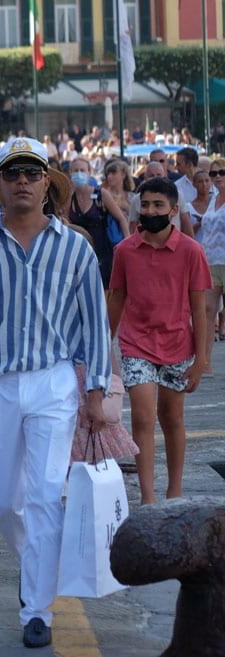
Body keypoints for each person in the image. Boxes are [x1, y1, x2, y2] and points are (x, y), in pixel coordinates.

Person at [0, 137, 110, 648]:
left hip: (53, 383)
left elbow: (95, 323)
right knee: (6, 501)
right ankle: (33, 565)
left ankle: (36, 608)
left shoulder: (75, 247)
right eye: (12, 172)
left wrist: (97, 389)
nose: (21, 181)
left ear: (46, 184)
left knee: (42, 496)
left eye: (31, 173)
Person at [108, 177, 211, 506]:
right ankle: (148, 496)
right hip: (136, 343)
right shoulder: (124, 251)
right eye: (145, 204)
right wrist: (101, 350)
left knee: (172, 417)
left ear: (174, 210)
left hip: (178, 344)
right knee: (141, 416)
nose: (150, 210)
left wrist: (201, 360)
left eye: (158, 205)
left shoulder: (191, 251)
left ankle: (175, 489)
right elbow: (116, 299)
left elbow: (200, 308)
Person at [67, 157, 129, 288]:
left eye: (82, 170)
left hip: (103, 254)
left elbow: (121, 218)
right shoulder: (69, 199)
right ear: (70, 173)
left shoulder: (101, 194)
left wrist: (127, 244)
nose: (79, 174)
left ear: (89, 173)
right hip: (78, 255)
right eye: (75, 170)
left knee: (105, 292)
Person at [195, 159, 225, 361]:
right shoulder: (213, 198)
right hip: (211, 259)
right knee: (207, 310)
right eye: (213, 173)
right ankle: (204, 361)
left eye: (222, 172)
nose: (217, 176)